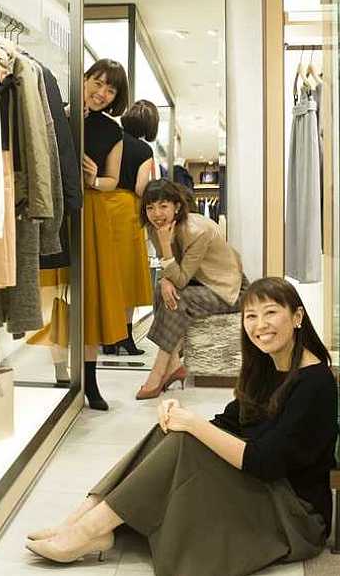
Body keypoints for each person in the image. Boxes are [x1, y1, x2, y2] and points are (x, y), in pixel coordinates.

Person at [25, 277, 336, 576]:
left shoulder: (315, 382)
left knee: (187, 436)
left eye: (271, 313)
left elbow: (265, 463)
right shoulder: (267, 366)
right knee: (173, 432)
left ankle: (90, 529)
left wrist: (193, 425)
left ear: (297, 317)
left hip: (295, 515)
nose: (260, 325)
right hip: (267, 490)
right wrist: (181, 418)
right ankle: (81, 520)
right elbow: (230, 423)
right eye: (251, 316)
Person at [134, 179, 245, 400]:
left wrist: (165, 252)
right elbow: (171, 271)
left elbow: (181, 279)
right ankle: (174, 364)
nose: (156, 214)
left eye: (163, 206)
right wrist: (164, 280)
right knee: (162, 291)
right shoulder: (157, 228)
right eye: (150, 207)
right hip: (198, 283)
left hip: (227, 289)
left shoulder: (198, 231)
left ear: (176, 206)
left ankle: (159, 370)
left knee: (178, 298)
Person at [79, 58, 141, 411]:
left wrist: (93, 179)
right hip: (56, 206)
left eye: (111, 90)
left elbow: (112, 181)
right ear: (85, 78)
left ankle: (89, 381)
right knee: (58, 296)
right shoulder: (60, 111)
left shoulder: (112, 131)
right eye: (98, 83)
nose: (102, 93)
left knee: (89, 298)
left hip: (90, 212)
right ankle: (61, 375)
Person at [103, 99, 161, 357]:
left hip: (103, 206)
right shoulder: (144, 151)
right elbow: (140, 188)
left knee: (106, 274)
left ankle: (107, 337)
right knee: (127, 276)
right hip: (127, 211)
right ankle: (125, 336)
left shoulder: (110, 139)